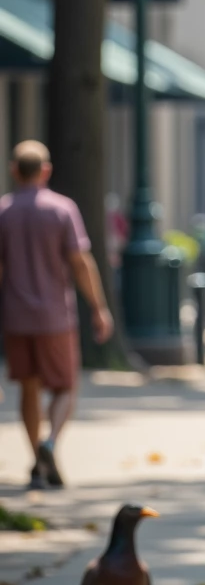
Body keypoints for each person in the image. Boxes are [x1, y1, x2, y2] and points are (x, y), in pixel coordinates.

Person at [0, 140, 114, 489]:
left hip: (16, 316)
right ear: (46, 171)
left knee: (28, 389)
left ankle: (36, 459)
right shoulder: (62, 209)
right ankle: (51, 443)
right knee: (65, 386)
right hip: (54, 317)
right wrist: (98, 307)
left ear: (14, 171)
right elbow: (80, 262)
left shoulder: (3, 212)